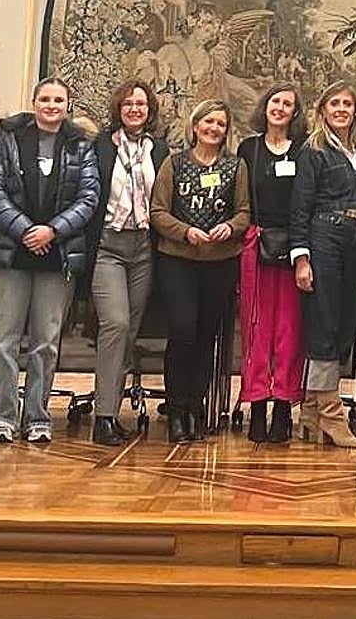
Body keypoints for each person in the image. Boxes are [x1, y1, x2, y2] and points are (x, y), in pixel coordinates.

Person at [0, 77, 99, 444]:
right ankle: (1, 417)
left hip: (57, 255)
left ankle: (37, 416)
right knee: (3, 341)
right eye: (45, 99)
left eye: (58, 100)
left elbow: (89, 197)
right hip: (11, 254)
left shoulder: (80, 146)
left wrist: (52, 231)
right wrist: (26, 230)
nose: (51, 105)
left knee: (46, 343)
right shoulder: (8, 141)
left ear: (68, 105)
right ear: (34, 103)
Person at [150, 99, 249, 443]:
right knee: (183, 333)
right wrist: (185, 231)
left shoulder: (236, 166)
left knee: (208, 337)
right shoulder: (173, 164)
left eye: (220, 123)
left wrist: (231, 228)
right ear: (195, 126)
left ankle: (196, 408)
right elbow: (158, 211)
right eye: (208, 121)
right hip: (178, 260)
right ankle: (176, 411)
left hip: (219, 263)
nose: (214, 128)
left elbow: (244, 212)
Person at [82, 80, 168, 446]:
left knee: (130, 332)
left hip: (144, 249)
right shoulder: (99, 146)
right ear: (118, 107)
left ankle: (113, 411)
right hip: (108, 247)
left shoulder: (159, 150)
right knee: (115, 325)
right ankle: (103, 416)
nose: (135, 109)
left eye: (142, 104)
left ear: (150, 111)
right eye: (129, 103)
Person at [289, 81, 356, 449]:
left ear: (355, 111)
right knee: (324, 324)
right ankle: (333, 415)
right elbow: (300, 206)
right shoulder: (314, 150)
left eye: (347, 104)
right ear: (322, 110)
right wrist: (302, 257)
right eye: (334, 103)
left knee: (343, 325)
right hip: (325, 234)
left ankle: (309, 411)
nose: (341, 109)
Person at [236, 82, 306, 444]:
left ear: (295, 113)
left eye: (287, 104)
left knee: (289, 332)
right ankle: (257, 405)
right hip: (257, 246)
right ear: (265, 107)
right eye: (275, 101)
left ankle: (283, 406)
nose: (280, 108)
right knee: (258, 329)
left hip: (295, 247)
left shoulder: (305, 151)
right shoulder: (247, 149)